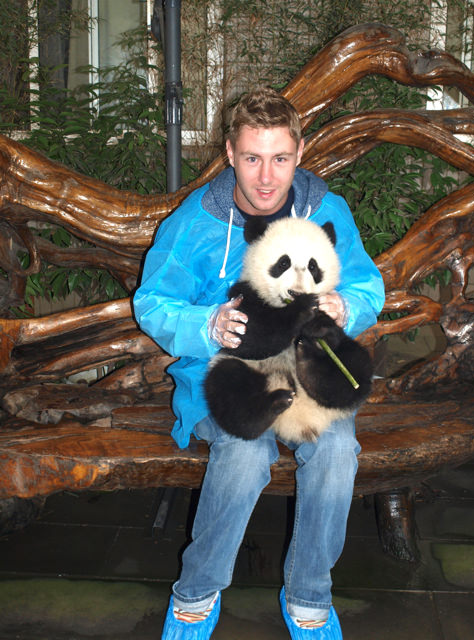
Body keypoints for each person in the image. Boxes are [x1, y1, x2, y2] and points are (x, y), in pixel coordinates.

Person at [133, 87, 385, 640]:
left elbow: (367, 282)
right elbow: (151, 302)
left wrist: (352, 305)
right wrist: (207, 326)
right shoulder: (195, 222)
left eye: (279, 158)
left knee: (338, 449)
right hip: (221, 382)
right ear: (229, 154)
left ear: (299, 153)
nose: (266, 177)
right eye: (252, 158)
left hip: (309, 379)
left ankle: (309, 594)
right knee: (246, 454)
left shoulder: (325, 210)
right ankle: (196, 590)